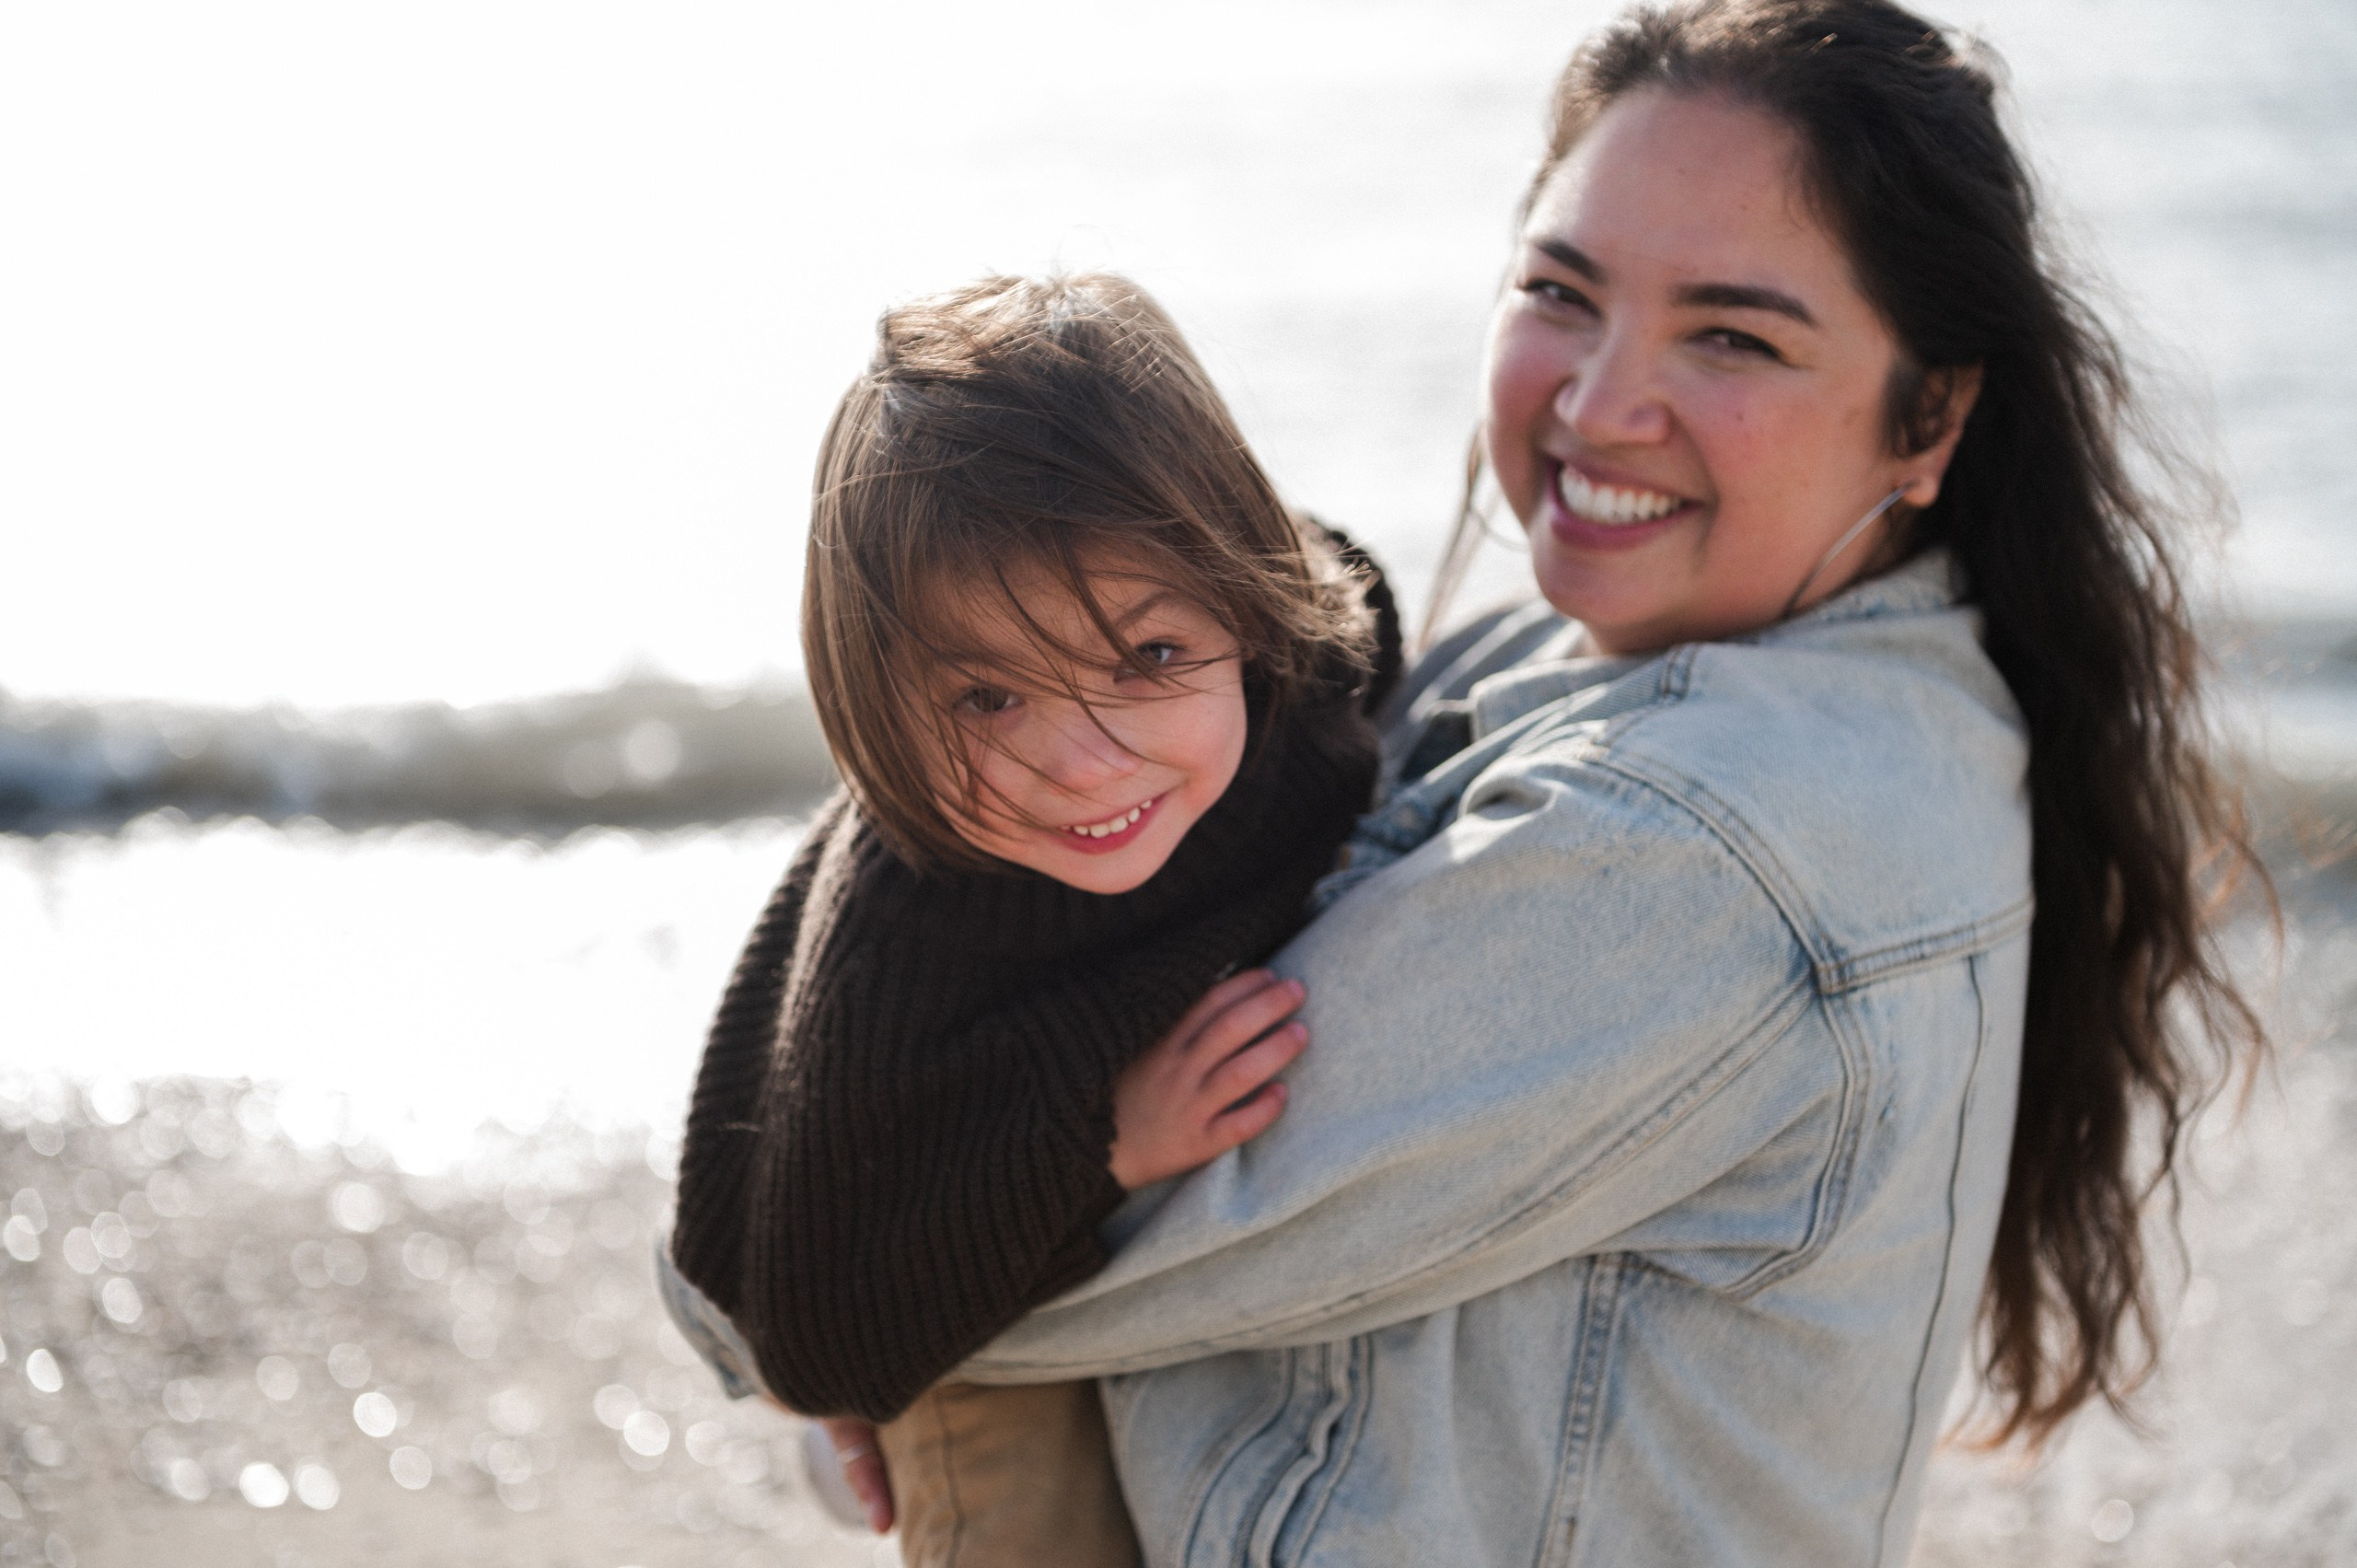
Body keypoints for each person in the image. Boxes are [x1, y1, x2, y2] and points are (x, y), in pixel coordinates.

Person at [807, 4, 2268, 1564]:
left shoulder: (1704, 852)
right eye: (1563, 294)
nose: (1596, 405)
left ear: (1931, 416)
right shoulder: (1603, 662)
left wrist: (805, 1301)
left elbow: (873, 1271)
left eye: (1732, 335)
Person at [660, 273, 1401, 1567]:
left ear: (1248, 600)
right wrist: (1104, 1144)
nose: (1083, 759)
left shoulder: (1307, 664)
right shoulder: (919, 927)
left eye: (1149, 660)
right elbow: (815, 1332)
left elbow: (1357, 599)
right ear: (873, 701)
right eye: (989, 699)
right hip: (915, 1227)